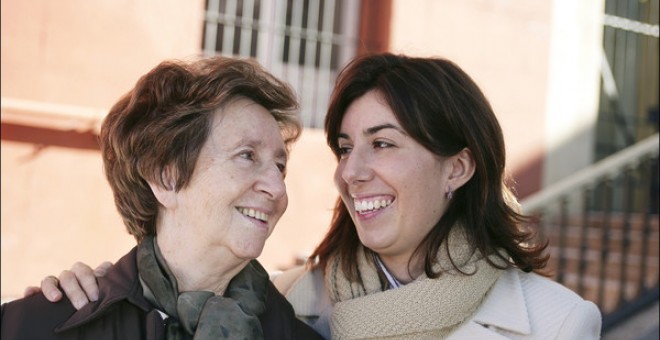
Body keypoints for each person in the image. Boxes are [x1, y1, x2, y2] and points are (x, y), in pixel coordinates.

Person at [30, 53, 602, 339]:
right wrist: (94, 293)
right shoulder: (291, 303)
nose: (351, 172)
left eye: (382, 144)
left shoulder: (557, 325)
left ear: (457, 167)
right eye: (345, 148)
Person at [1, 56, 322, 339]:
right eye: (247, 155)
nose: (277, 188)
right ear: (165, 178)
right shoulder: (31, 326)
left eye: (280, 166)